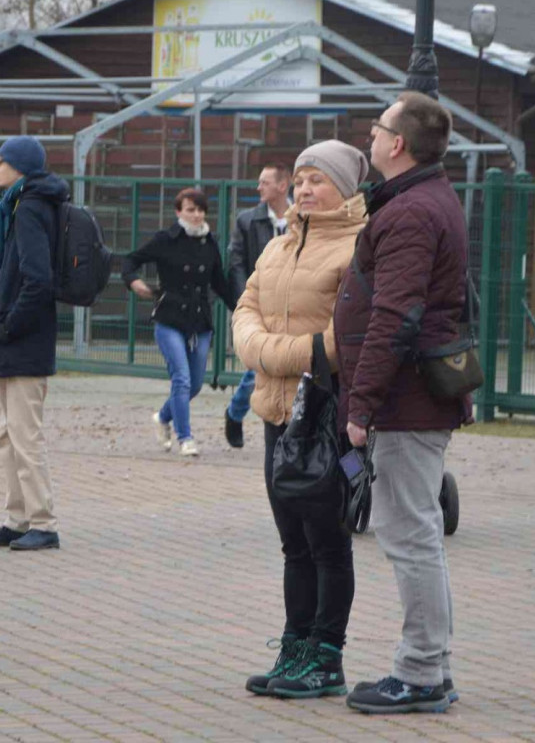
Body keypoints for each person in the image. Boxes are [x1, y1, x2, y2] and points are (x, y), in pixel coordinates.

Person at [336, 92, 471, 714]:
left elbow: (397, 313)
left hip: (406, 400)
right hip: (411, 396)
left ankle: (420, 672)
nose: (370, 133)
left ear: (398, 144)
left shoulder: (412, 212)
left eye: (379, 126)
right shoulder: (420, 199)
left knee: (409, 532)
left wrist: (360, 405)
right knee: (413, 530)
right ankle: (429, 667)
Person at [233, 140, 368, 699]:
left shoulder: (362, 247)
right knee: (293, 541)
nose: (306, 189)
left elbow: (346, 338)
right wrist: (259, 347)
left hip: (328, 415)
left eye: (319, 179)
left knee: (328, 540)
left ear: (346, 188)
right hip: (275, 411)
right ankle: (295, 646)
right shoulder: (279, 244)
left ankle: (327, 657)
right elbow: (246, 306)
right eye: (301, 179)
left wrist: (275, 352)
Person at [0, 135, 67, 551]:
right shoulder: (18, 205)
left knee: (25, 435)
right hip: (16, 340)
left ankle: (42, 522)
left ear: (21, 166)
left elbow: (38, 279)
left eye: (1, 161)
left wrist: (8, 324)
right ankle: (17, 518)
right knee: (9, 435)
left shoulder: (29, 208)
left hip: (24, 340)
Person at [122, 188, 236, 456]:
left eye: (200, 210)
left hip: (200, 321)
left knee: (195, 384)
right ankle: (186, 438)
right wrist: (133, 282)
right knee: (181, 380)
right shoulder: (166, 239)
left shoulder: (209, 242)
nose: (196, 215)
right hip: (169, 318)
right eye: (189, 210)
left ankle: (163, 417)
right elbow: (130, 260)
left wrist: (241, 309)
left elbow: (219, 282)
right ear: (178, 212)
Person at [224, 162, 291, 449]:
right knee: (259, 366)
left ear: (282, 185)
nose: (258, 187)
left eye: (265, 182)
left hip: (293, 304)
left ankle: (241, 413)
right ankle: (237, 413)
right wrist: (245, 300)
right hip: (261, 304)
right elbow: (236, 261)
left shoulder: (302, 217)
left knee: (282, 366)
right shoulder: (248, 220)